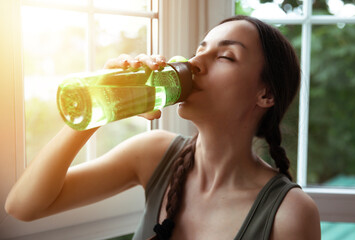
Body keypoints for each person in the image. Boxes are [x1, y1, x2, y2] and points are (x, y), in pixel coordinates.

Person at [5, 15, 321, 239]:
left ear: (265, 94)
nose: (196, 63)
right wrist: (99, 104)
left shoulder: (289, 214)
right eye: (200, 50)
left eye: (225, 56)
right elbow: (24, 206)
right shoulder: (153, 153)